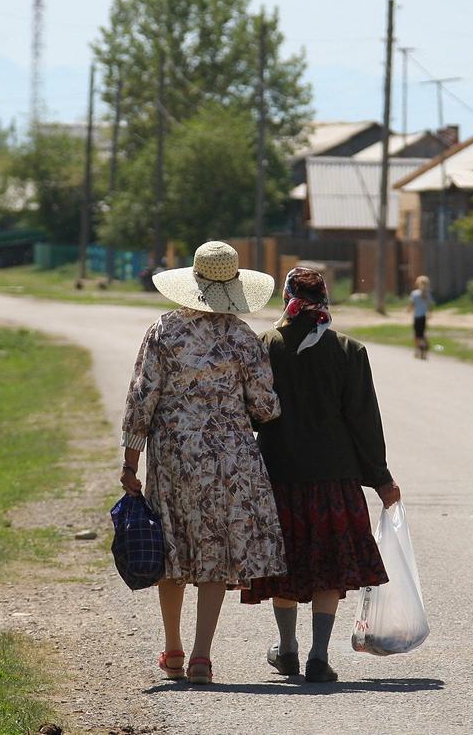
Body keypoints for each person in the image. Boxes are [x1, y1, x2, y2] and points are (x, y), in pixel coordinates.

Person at [120, 241, 287, 686]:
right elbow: (266, 407)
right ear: (232, 287)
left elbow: (142, 398)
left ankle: (172, 649)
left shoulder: (163, 331)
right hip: (229, 459)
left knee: (172, 548)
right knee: (213, 552)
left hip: (173, 455)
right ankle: (201, 657)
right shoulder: (242, 337)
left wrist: (129, 462)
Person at [242, 266, 402, 683]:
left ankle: (288, 649)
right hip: (335, 479)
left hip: (279, 475)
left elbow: (253, 413)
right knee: (327, 565)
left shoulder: (266, 346)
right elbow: (364, 421)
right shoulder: (349, 351)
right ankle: (318, 655)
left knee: (287, 561)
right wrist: (381, 478)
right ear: (325, 302)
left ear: (287, 301)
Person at [407, 275, 436, 359]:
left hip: (416, 316)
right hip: (423, 317)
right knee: (422, 334)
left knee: (416, 334)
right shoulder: (427, 294)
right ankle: (424, 348)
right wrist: (430, 313)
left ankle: (417, 350)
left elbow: (411, 304)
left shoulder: (414, 293)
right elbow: (430, 305)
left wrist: (408, 310)